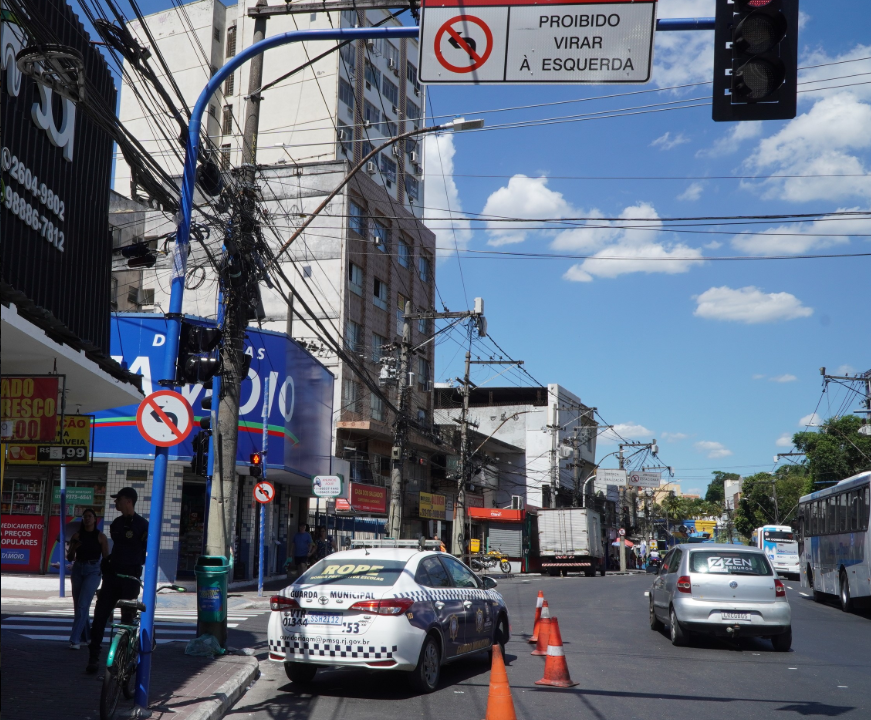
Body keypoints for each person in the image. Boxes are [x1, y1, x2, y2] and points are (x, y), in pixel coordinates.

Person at [86, 487, 148, 673]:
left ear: (128, 501)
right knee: (99, 617)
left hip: (130, 579)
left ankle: (125, 658)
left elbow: (144, 552)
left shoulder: (142, 525)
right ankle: (93, 658)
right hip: (113, 577)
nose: (116, 503)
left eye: (118, 499)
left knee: (127, 619)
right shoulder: (116, 524)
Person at [66, 508, 109, 650]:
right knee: (78, 605)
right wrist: (73, 547)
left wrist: (105, 574)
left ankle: (74, 639)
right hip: (78, 569)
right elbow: (70, 557)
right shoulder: (77, 535)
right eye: (85, 517)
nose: (87, 519)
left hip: (93, 570)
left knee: (83, 604)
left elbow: (106, 557)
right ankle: (87, 637)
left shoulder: (100, 536)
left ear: (95, 519)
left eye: (90, 516)